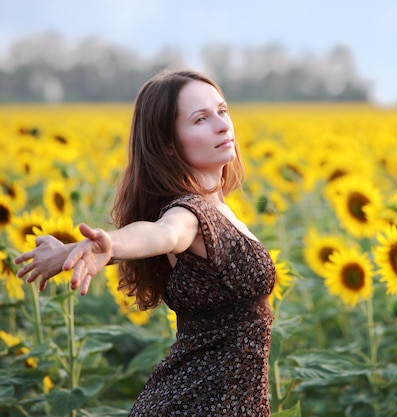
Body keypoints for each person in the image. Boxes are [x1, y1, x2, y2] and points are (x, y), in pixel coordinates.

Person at [15, 69, 276, 416]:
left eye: (222, 111)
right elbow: (161, 233)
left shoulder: (221, 210)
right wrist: (111, 245)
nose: (222, 125)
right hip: (195, 406)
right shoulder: (190, 213)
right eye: (200, 119)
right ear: (168, 143)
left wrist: (65, 251)